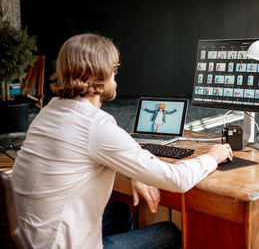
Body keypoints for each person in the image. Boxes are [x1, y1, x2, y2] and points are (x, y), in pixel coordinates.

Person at [10, 33, 233, 249]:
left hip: (31, 238)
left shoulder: (48, 113)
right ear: (102, 73)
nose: (116, 75)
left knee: (119, 211)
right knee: (169, 233)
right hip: (58, 245)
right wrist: (211, 157)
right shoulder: (96, 126)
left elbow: (90, 146)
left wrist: (135, 168)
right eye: (114, 69)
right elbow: (176, 180)